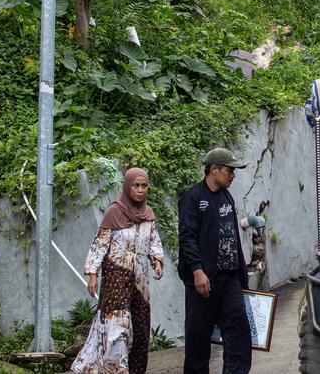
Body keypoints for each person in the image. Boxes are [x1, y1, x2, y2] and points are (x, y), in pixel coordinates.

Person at [71, 167, 164, 374]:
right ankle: (116, 370)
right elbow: (99, 245)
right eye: (136, 186)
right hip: (116, 278)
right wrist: (93, 275)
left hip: (140, 281)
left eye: (144, 186)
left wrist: (157, 260)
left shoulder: (148, 214)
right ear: (127, 186)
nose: (140, 190)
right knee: (116, 328)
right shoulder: (114, 212)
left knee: (140, 329)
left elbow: (154, 240)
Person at [178, 148, 251, 374]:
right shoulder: (193, 198)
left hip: (229, 279)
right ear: (213, 170)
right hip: (203, 281)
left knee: (238, 331)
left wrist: (242, 276)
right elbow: (187, 238)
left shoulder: (226, 196)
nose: (233, 175)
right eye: (229, 170)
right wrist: (197, 270)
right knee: (198, 338)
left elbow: (233, 236)